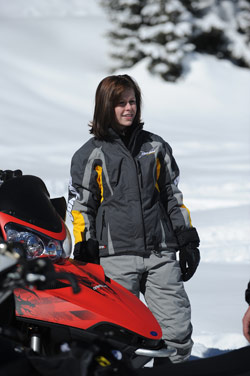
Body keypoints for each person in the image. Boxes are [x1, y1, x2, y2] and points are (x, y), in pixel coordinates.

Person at [67, 74, 200, 365]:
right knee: (121, 336)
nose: (129, 108)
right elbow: (82, 206)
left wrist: (187, 238)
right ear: (105, 107)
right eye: (121, 103)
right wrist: (84, 246)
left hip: (160, 251)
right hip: (115, 257)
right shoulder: (90, 154)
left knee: (176, 333)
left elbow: (171, 195)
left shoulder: (155, 146)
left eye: (132, 102)